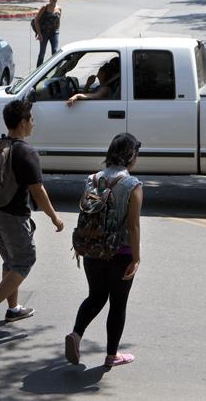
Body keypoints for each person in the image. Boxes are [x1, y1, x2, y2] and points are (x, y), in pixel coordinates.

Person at [0, 99, 64, 339]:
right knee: (24, 261)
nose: (33, 123)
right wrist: (55, 218)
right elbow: (38, 191)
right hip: (13, 217)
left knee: (10, 262)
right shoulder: (26, 152)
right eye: (31, 119)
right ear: (22, 122)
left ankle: (13, 309)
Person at [65, 132, 143, 367]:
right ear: (130, 156)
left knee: (96, 296)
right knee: (118, 303)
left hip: (92, 249)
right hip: (120, 253)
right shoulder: (132, 184)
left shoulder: (92, 179)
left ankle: (76, 334)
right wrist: (136, 258)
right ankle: (112, 355)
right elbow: (133, 224)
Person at [35, 0, 62, 67]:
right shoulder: (45, 7)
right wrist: (39, 34)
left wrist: (57, 30)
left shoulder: (59, 8)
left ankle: (55, 69)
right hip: (44, 33)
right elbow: (36, 20)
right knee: (42, 53)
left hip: (54, 33)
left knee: (55, 51)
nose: (55, 0)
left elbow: (58, 20)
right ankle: (38, 71)